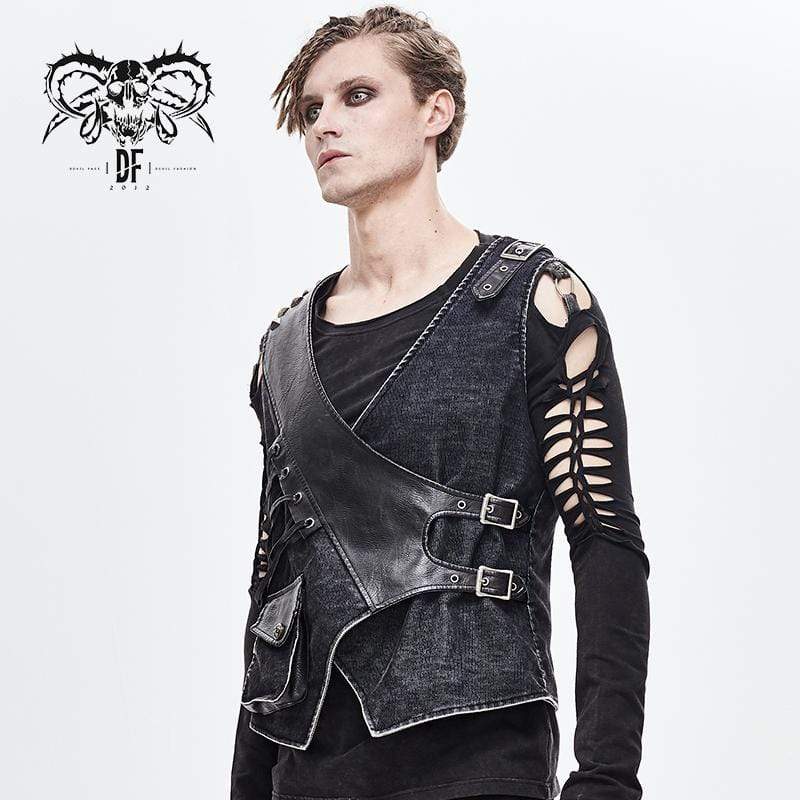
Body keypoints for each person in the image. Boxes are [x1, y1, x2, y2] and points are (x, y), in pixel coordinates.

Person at [230, 6, 650, 800]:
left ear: (435, 111)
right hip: (307, 772)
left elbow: (605, 541)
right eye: (311, 109)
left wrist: (606, 778)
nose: (324, 125)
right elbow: (273, 589)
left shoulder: (536, 301)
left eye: (358, 95)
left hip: (478, 762)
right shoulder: (283, 351)